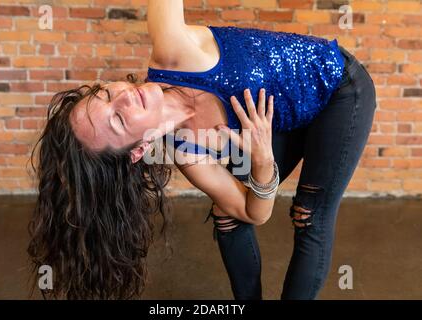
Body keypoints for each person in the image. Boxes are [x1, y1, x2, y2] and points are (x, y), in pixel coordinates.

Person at [28, 0, 376, 300]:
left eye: (104, 93)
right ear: (138, 150)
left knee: (309, 215)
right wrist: (262, 160)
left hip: (339, 89)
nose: (123, 95)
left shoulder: (172, 50)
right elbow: (255, 212)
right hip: (275, 123)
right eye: (118, 119)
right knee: (228, 214)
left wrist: (261, 159)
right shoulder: (187, 153)